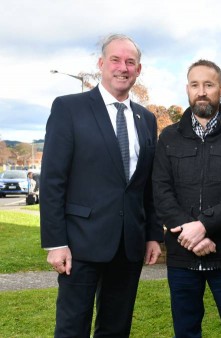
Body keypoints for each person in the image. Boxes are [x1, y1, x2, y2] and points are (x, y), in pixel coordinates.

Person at [40, 33, 163, 337]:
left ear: (138, 69)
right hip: (79, 244)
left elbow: (147, 185)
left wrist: (152, 236)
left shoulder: (146, 119)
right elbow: (53, 180)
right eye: (116, 59)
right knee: (72, 328)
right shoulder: (69, 108)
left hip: (128, 246)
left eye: (130, 62)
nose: (123, 67)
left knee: (116, 328)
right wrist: (56, 243)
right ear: (101, 63)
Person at [152, 59, 221, 338]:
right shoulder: (169, 138)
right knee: (185, 331)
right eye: (195, 85)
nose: (202, 91)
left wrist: (204, 226)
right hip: (181, 255)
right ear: (187, 89)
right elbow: (161, 192)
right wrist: (192, 233)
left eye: (208, 85)